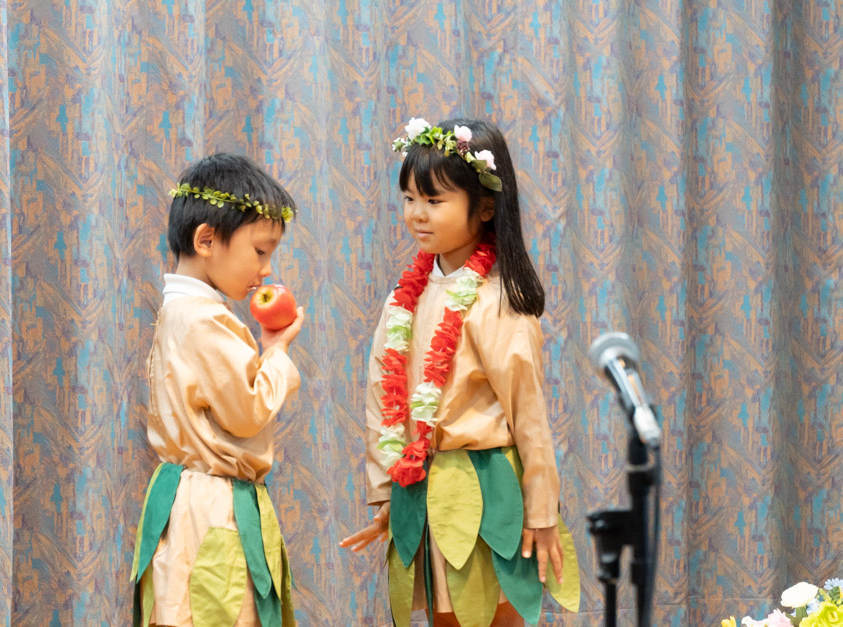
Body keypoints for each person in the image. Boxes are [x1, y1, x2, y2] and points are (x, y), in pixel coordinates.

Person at [341, 118, 567, 626]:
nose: (416, 215)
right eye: (408, 199)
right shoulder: (405, 299)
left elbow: (529, 415)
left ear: (485, 207)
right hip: (428, 490)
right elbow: (384, 398)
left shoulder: (497, 301)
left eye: (434, 201)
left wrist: (542, 510)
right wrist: (388, 492)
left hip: (490, 491)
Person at [130, 153, 305, 627]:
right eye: (260, 251)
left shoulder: (179, 310)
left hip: (183, 494)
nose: (266, 270)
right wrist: (277, 352)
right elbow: (249, 412)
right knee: (219, 612)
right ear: (206, 239)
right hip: (211, 504)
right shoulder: (206, 318)